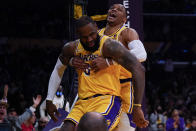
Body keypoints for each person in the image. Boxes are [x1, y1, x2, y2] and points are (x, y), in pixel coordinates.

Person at [46, 16, 147, 131]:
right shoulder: (72, 48)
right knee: (66, 129)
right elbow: (58, 69)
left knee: (92, 125)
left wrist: (138, 107)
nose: (89, 40)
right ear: (78, 35)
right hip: (82, 102)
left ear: (96, 27)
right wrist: (49, 100)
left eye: (92, 34)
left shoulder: (109, 45)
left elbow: (138, 68)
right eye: (84, 37)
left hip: (107, 100)